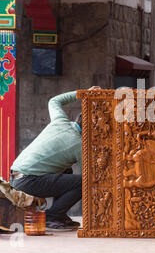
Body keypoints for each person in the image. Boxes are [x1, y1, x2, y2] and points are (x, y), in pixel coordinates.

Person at [10, 86, 98, 231]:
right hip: (29, 181)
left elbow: (54, 101)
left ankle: (59, 214)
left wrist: (82, 93)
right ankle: (52, 217)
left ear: (77, 119)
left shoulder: (61, 120)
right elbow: (88, 175)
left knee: (67, 171)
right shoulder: (79, 144)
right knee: (84, 183)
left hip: (16, 176)